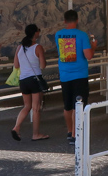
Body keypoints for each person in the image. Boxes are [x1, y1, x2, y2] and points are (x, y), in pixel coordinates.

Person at [56, 9, 96, 145]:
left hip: (65, 74)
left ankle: (69, 131)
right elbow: (88, 56)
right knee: (78, 105)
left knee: (67, 106)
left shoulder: (58, 35)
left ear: (64, 21)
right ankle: (75, 134)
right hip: (80, 74)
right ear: (77, 20)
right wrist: (93, 47)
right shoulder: (82, 35)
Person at [11, 24, 49, 142]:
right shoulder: (38, 47)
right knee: (36, 108)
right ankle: (36, 134)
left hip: (23, 80)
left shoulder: (19, 47)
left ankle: (16, 127)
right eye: (38, 30)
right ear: (35, 33)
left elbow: (16, 65)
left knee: (27, 106)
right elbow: (42, 65)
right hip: (34, 79)